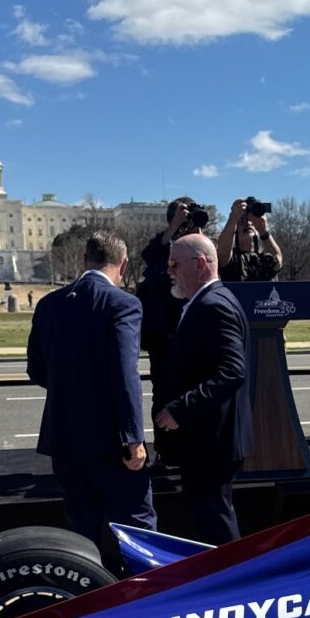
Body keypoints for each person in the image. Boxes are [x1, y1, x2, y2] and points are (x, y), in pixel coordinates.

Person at [26, 231, 156, 551]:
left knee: (81, 530)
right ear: (123, 265)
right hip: (109, 440)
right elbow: (125, 374)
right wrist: (133, 437)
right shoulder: (123, 304)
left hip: (64, 438)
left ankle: (88, 582)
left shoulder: (49, 304)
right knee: (137, 526)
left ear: (85, 260)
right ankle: (141, 584)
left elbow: (36, 370)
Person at [154, 234, 253, 545]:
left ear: (200, 264)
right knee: (209, 517)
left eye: (174, 263)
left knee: (215, 522)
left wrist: (180, 410)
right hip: (207, 440)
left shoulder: (214, 305)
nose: (168, 270)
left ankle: (232, 573)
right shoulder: (203, 302)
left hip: (211, 441)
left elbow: (232, 371)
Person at [137, 197, 206, 460]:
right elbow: (150, 256)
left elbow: (213, 264)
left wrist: (197, 231)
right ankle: (165, 451)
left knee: (196, 392)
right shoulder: (163, 247)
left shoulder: (200, 244)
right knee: (164, 394)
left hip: (195, 333)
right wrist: (175, 226)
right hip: (164, 335)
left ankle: (194, 448)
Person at [217, 197, 283, 283]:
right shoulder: (232, 259)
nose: (248, 223)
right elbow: (222, 252)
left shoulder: (265, 258)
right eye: (243, 220)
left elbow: (277, 262)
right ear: (236, 230)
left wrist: (264, 231)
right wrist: (233, 218)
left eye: (252, 221)